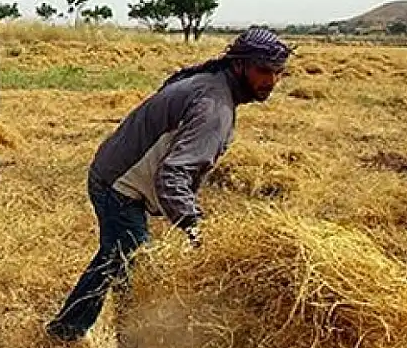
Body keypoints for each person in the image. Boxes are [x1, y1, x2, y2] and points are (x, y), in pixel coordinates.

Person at [44, 27, 294, 343]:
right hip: (119, 187)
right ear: (239, 65)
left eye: (278, 73)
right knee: (136, 273)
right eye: (263, 71)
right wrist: (195, 228)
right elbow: (172, 175)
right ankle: (124, 338)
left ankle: (67, 329)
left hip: (112, 172)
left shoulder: (211, 84)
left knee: (115, 260)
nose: (271, 81)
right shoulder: (214, 106)